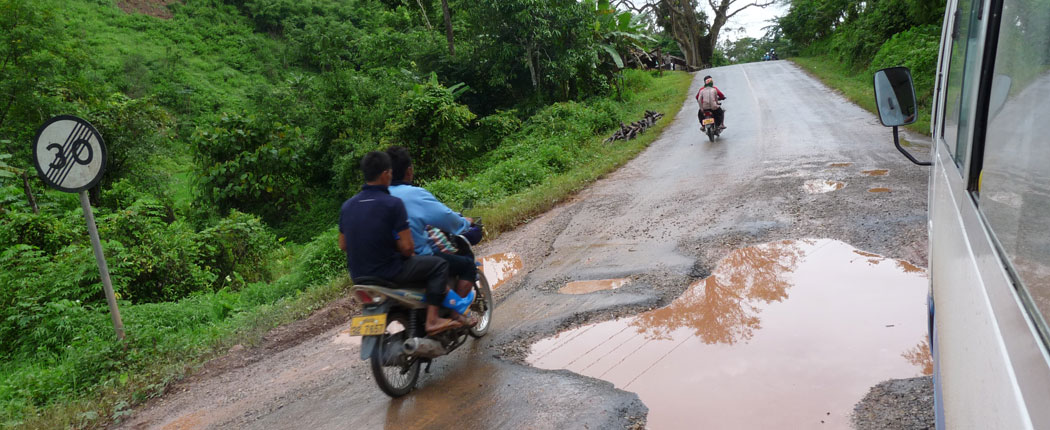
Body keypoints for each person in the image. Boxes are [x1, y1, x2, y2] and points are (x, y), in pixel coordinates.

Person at [338, 151, 461, 335]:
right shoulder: (392, 204)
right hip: (390, 273)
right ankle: (433, 320)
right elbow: (407, 247)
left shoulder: (348, 206)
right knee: (439, 265)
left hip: (359, 276)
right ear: (386, 174)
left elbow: (343, 245)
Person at [386, 146, 481, 326]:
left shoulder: (379, 196)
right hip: (416, 258)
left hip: (386, 262)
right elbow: (446, 218)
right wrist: (465, 223)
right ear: (409, 171)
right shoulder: (414, 194)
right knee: (467, 266)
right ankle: (454, 313)